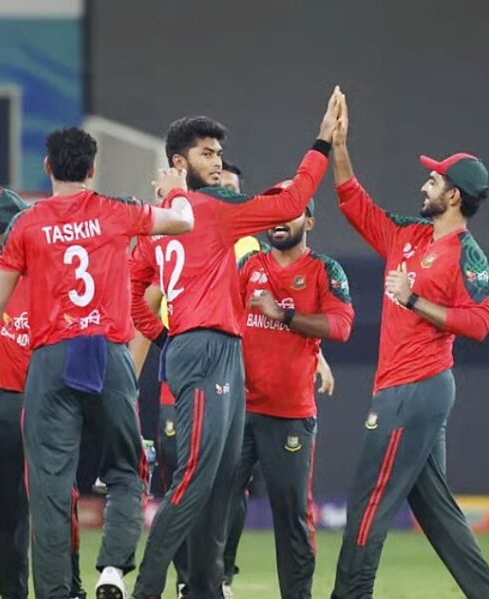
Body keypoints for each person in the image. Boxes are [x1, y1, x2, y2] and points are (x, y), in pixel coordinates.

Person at [0, 126, 194, 599]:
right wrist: (178, 190)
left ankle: (57, 592)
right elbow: (183, 222)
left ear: (47, 167)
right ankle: (112, 570)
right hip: (108, 354)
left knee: (49, 487)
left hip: (52, 359)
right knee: (126, 470)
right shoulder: (117, 211)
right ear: (93, 168)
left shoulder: (27, 224)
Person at [130, 87, 341, 599]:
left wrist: (167, 337)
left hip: (212, 349)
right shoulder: (214, 208)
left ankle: (204, 589)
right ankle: (146, 589)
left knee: (220, 485)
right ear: (179, 162)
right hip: (207, 349)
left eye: (219, 154)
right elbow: (290, 202)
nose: (218, 163)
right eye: (207, 153)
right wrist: (322, 143)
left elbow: (135, 294)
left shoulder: (161, 221)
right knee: (196, 481)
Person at [325, 93, 489, 599]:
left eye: (433, 180)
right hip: (405, 388)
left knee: (368, 504)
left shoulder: (467, 254)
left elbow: (479, 323)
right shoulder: (407, 236)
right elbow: (353, 202)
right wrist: (338, 147)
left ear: (453, 197)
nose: (424, 185)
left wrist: (414, 300)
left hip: (416, 388)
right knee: (436, 512)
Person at [0, 186, 89, 599]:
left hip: (51, 400)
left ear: (17, 230)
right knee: (7, 508)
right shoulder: (8, 272)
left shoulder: (57, 269)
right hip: (10, 397)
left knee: (55, 502)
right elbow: (7, 321)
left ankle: (68, 588)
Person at [224, 197, 354, 599]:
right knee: (218, 502)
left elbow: (341, 326)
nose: (279, 219)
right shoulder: (249, 265)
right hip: (239, 409)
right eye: (275, 210)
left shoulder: (324, 270)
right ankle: (213, 585)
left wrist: (285, 316)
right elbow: (225, 317)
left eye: (291, 212)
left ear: (309, 222)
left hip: (289, 415)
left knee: (291, 515)